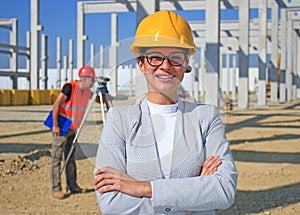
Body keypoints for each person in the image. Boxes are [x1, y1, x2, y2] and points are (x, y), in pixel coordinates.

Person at [94, 10, 238, 214]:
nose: (166, 66)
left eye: (176, 58)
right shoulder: (119, 120)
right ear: (141, 64)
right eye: (155, 57)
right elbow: (111, 202)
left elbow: (224, 190)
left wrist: (144, 188)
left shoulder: (206, 117)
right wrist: (190, 200)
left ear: (185, 65)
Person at [51, 65, 97, 199]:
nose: (93, 83)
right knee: (57, 158)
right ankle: (56, 188)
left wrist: (103, 92)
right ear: (85, 78)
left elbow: (98, 99)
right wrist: (55, 125)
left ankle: (72, 185)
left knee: (70, 157)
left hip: (73, 128)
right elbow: (56, 104)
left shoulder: (87, 92)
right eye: (92, 80)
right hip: (62, 125)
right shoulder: (69, 87)